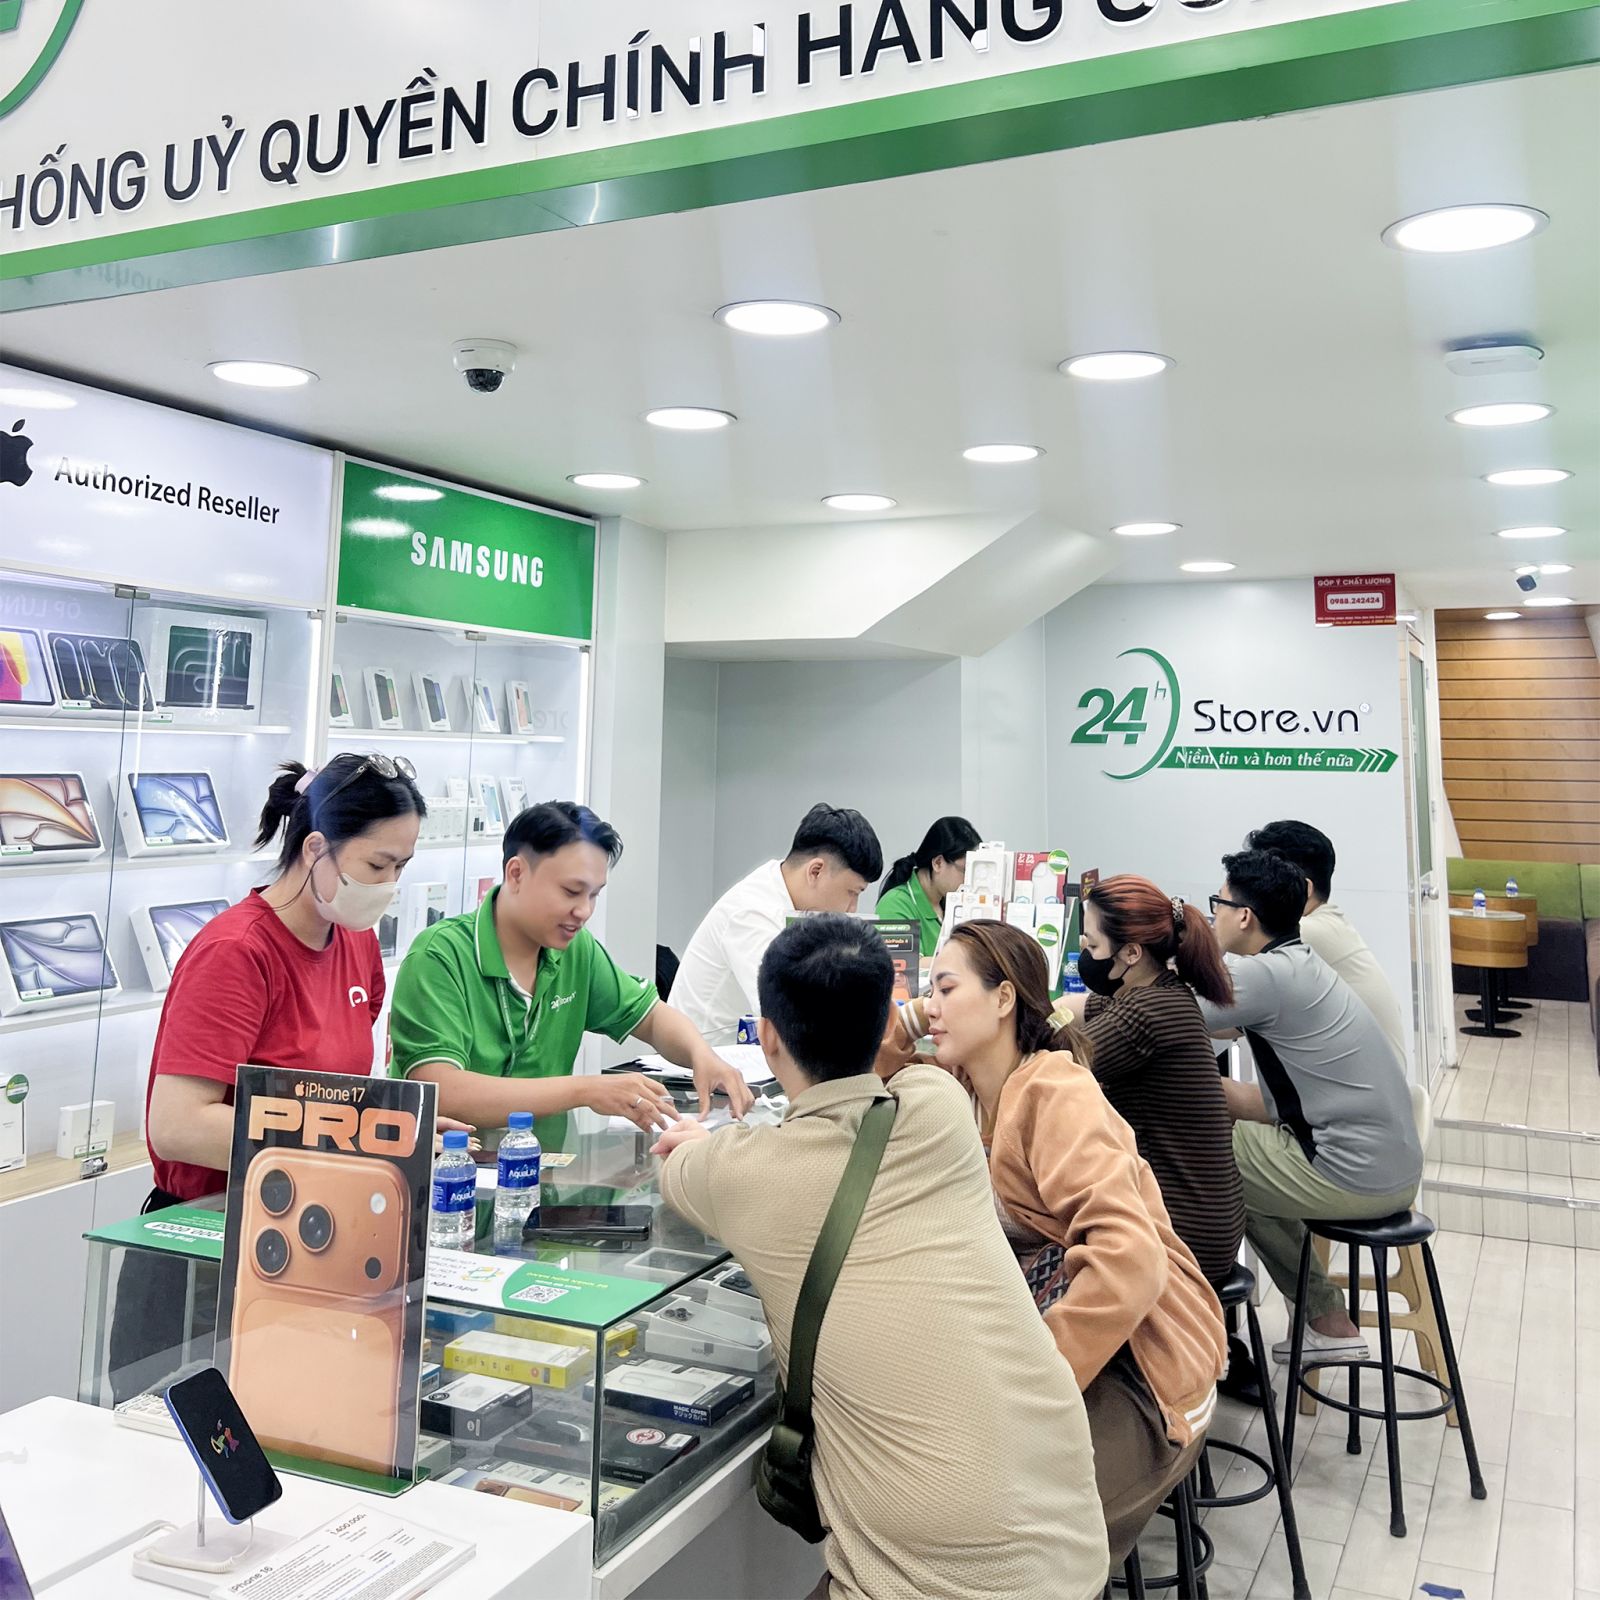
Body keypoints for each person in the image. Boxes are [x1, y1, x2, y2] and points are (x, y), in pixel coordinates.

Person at [653, 916, 1108, 1600]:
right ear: (888, 1017)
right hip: (1073, 1535)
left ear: (768, 1037)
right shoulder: (940, 1108)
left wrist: (696, 1139)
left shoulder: (740, 1173)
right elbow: (894, 1067)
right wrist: (898, 1017)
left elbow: (676, 1162)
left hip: (936, 1583)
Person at [113, 753, 430, 1400]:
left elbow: (337, 1090)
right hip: (206, 1249)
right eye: (378, 866)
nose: (389, 885)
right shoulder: (236, 953)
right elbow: (177, 1126)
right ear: (316, 849)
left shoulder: (355, 942)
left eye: (402, 867)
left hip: (307, 1240)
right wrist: (352, 1136)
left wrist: (399, 1130)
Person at [926, 920, 1227, 1567]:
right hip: (1078, 1335)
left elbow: (1129, 1261)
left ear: (1003, 999)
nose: (930, 1007)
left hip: (1145, 1357)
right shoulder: (967, 1090)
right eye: (927, 992)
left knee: (1014, 1535)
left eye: (945, 989)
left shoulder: (1053, 1091)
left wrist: (1035, 1387)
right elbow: (876, 1074)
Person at [391, 801, 753, 1144]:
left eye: (594, 895)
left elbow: (651, 1017)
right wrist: (586, 1090)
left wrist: (701, 1055)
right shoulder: (439, 956)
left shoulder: (576, 951)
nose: (584, 911)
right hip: (451, 1172)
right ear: (516, 874)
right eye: (571, 891)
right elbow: (441, 1090)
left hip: (543, 1168)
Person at [1199, 849, 1422, 1362]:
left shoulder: (1266, 976)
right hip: (1390, 1167)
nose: (1214, 916)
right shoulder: (1300, 962)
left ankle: (1200, 1341)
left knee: (1200, 1155)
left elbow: (1163, 1013)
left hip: (1353, 1175)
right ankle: (1327, 1321)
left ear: (1243, 916)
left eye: (1218, 904)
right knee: (1228, 1147)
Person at [1077, 874, 1245, 1286]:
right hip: (1211, 1221)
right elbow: (1077, 1009)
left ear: (1131, 953)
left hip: (1182, 1233)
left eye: (1093, 946)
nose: (1086, 954)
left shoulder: (1144, 1013)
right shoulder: (1163, 990)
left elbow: (1054, 1072)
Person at [670, 803, 883, 1045]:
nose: (852, 908)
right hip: (705, 1057)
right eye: (852, 892)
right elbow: (787, 1012)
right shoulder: (752, 913)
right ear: (815, 871)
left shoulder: (786, 892)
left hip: (747, 1051)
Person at [1246, 818, 1407, 1062]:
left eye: (1258, 882)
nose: (1250, 894)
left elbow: (1226, 992)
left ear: (1303, 888)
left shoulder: (1306, 933)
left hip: (1355, 1083)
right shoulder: (1327, 924)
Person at [874, 815, 982, 956]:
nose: (969, 881)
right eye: (965, 871)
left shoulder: (951, 903)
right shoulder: (894, 904)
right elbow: (908, 963)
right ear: (938, 863)